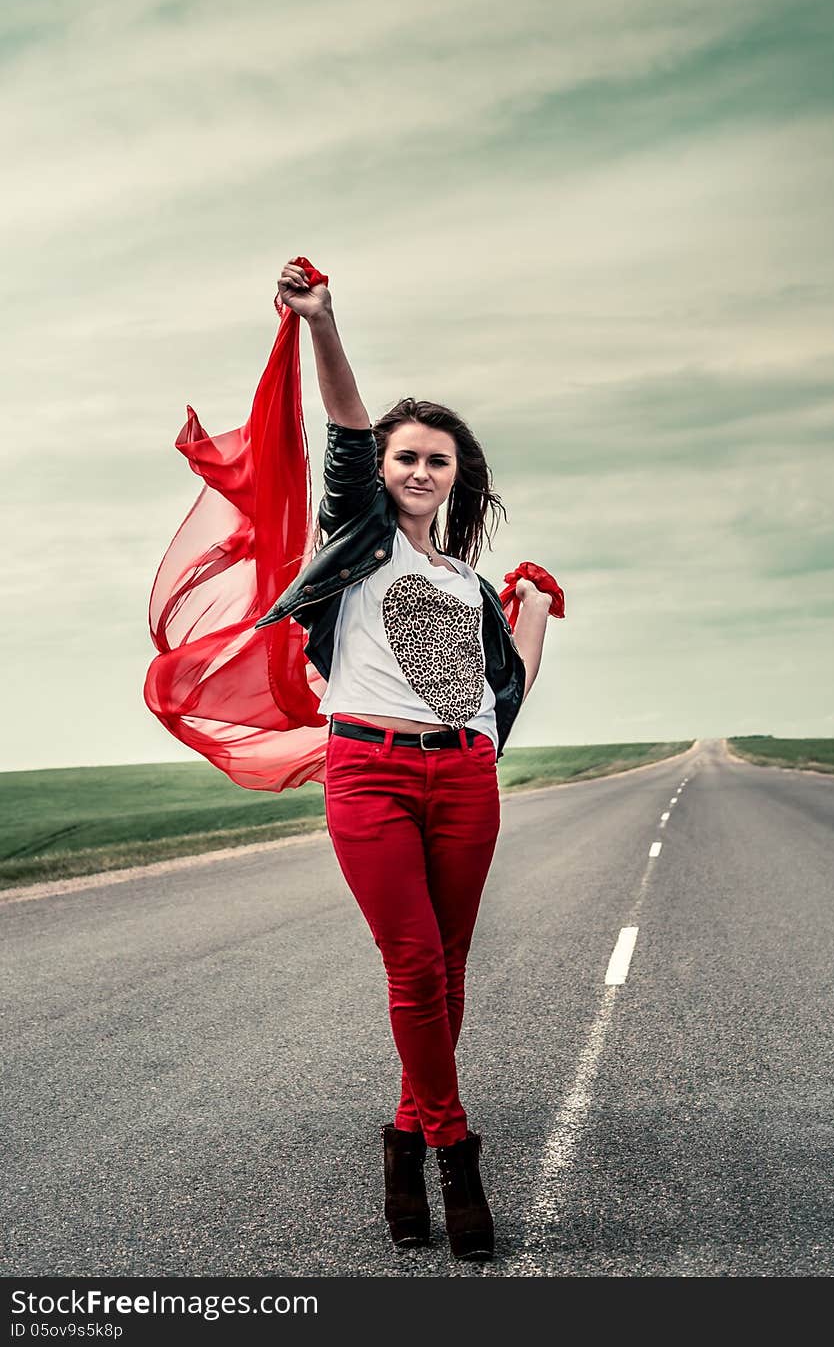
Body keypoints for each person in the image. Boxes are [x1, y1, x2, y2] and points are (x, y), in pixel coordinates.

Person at [272, 256, 556, 1262]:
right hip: (370, 772)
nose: (420, 469)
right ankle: (451, 1151)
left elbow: (497, 698)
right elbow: (346, 430)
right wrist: (322, 323)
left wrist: (531, 613)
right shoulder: (358, 539)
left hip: (465, 774)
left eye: (438, 458)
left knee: (449, 962)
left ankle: (401, 1135)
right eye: (407, 456)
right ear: (385, 471)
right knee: (413, 958)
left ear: (456, 475)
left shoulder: (464, 583)